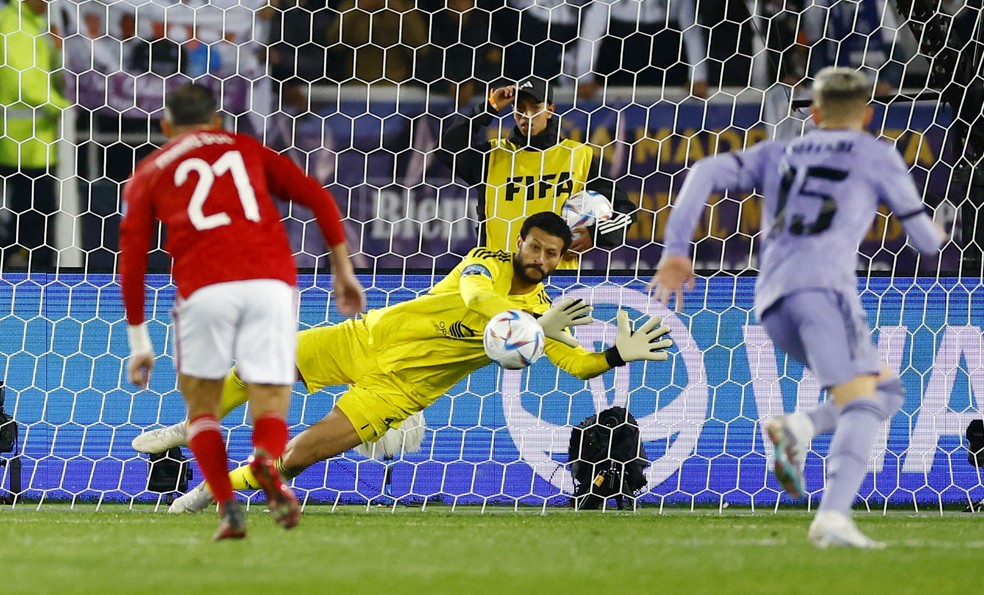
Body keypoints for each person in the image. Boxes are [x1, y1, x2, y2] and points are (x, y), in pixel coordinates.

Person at [131, 212, 673, 513]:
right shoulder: (487, 262)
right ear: (520, 244)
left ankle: (215, 487)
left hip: (400, 392)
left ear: (561, 258)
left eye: (551, 254)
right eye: (533, 247)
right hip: (367, 339)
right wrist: (530, 323)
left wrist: (614, 355)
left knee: (300, 456)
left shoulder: (543, 313)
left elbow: (576, 366)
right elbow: (480, 303)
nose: (539, 258)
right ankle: (187, 430)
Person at [649, 67, 946, 549]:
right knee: (866, 403)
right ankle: (831, 517)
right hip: (825, 292)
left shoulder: (780, 150)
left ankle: (801, 426)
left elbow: (703, 170)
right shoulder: (876, 153)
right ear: (868, 115)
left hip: (771, 301)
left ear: (814, 112)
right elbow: (925, 243)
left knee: (886, 389)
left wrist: (676, 251)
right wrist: (939, 233)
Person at [120, 83, 366, 540]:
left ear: (165, 126)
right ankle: (263, 461)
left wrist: (139, 341)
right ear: (218, 122)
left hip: (204, 288)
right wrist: (343, 269)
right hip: (271, 283)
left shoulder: (152, 168)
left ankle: (226, 503)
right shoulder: (246, 148)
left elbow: (132, 256)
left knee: (203, 408)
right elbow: (316, 196)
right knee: (270, 399)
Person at [437, 77, 636, 270]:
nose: (527, 116)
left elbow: (626, 211)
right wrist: (489, 108)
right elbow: (447, 149)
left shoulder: (579, 156)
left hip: (558, 282)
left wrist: (596, 234)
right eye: (520, 109)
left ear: (550, 110)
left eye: (535, 108)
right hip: (498, 278)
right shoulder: (492, 156)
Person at [0, 0, 71, 271]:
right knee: (33, 211)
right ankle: (30, 272)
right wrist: (65, 107)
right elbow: (26, 82)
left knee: (27, 208)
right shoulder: (15, 25)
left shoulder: (31, 23)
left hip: (33, 140)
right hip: (23, 142)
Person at [574, 0, 709, 100]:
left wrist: (697, 76)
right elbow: (592, 30)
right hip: (621, 65)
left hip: (665, 65)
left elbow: (692, 30)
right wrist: (585, 76)